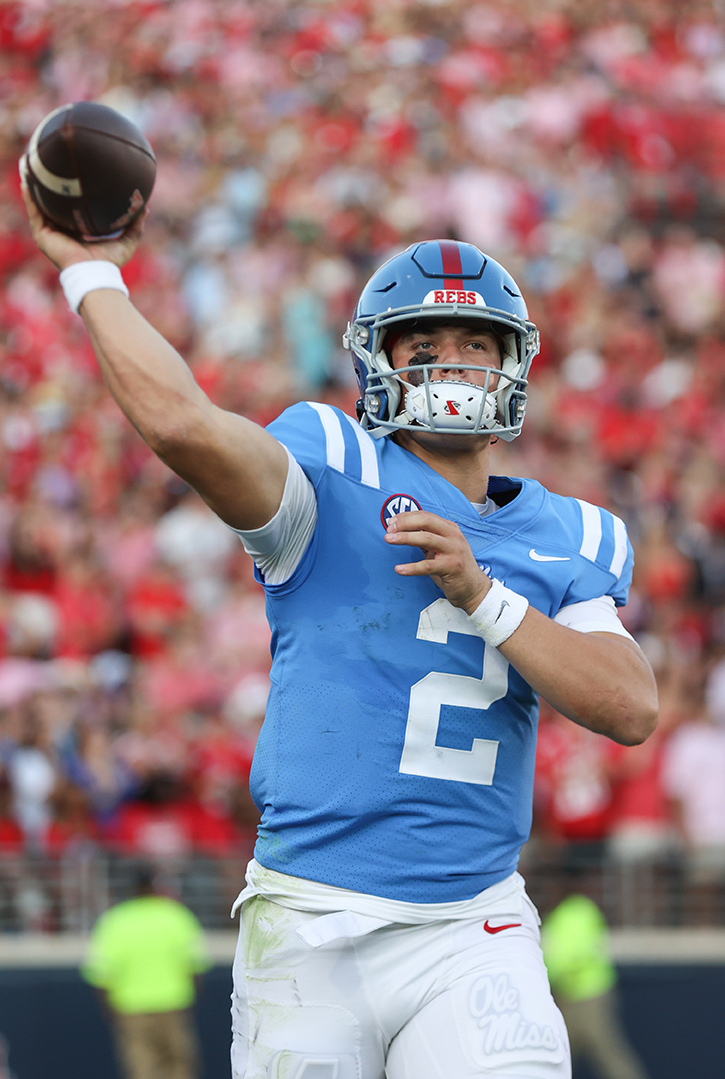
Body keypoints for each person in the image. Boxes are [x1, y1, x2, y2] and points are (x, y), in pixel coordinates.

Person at [22, 175, 658, 1079]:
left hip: (471, 923)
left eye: (473, 344)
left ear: (513, 364)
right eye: (422, 343)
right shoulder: (329, 467)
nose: (448, 364)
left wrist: (488, 596)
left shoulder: (568, 534)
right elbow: (181, 424)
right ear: (376, 360)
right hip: (308, 920)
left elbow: (629, 706)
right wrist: (92, 275)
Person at [81, 867, 211, 1079]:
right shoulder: (175, 915)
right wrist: (189, 1000)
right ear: (153, 887)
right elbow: (196, 965)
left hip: (132, 1010)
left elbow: (100, 975)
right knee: (180, 1067)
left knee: (142, 1069)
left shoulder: (115, 921)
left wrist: (113, 1013)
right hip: (173, 1006)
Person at [541, 892, 650, 1079]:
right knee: (556, 1056)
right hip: (565, 998)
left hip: (590, 995)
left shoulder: (581, 910)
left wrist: (555, 975)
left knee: (606, 1051)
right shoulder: (556, 917)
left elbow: (578, 953)